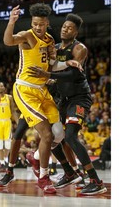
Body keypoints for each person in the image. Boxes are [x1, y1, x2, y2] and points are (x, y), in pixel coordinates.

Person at [28, 13, 107, 195]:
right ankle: (70, 172)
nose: (65, 29)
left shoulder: (79, 49)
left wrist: (49, 76)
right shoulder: (55, 48)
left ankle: (95, 180)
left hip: (79, 97)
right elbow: (51, 67)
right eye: (64, 26)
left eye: (70, 28)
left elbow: (74, 75)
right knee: (52, 136)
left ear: (76, 31)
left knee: (70, 136)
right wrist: (48, 78)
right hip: (61, 99)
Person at [2, 3, 66, 194]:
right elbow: (8, 41)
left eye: (41, 24)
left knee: (59, 133)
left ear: (47, 23)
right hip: (25, 90)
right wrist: (11, 22)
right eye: (35, 23)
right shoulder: (27, 35)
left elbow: (55, 64)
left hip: (43, 91)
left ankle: (35, 156)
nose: (37, 27)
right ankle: (43, 177)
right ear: (32, 22)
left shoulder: (49, 40)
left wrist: (63, 59)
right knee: (45, 134)